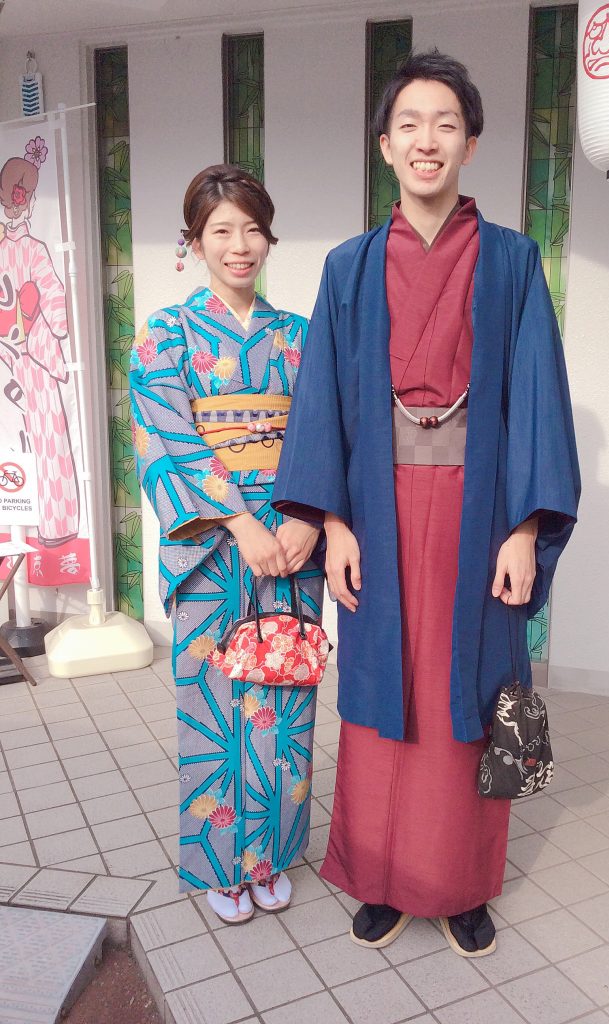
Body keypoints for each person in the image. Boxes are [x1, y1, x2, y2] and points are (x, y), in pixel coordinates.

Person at [273, 51, 580, 957]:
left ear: (470, 143)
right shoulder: (349, 267)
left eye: (445, 123)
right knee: (382, 690)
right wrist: (333, 522)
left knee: (473, 690)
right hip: (377, 506)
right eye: (408, 123)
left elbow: (536, 398)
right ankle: (377, 876)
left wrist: (524, 528)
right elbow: (325, 400)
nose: (426, 139)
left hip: (480, 511)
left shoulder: (512, 261)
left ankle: (463, 885)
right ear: (384, 144)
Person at [130, 165, 322, 924]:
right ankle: (220, 865)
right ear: (194, 241)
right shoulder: (165, 334)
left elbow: (328, 435)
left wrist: (306, 519)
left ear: (269, 238)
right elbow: (165, 435)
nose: (239, 245)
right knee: (212, 707)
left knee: (285, 698)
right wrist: (240, 522)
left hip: (292, 539)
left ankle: (271, 856)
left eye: (252, 229)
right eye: (221, 230)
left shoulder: (300, 337)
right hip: (214, 544)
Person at [0, 138, 80, 547]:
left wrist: (58, 327)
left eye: (22, 197)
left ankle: (53, 528)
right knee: (20, 441)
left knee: (44, 438)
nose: (18, 205)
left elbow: (50, 291)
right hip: (12, 356)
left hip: (30, 356)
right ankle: (23, 532)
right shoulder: (15, 248)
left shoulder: (32, 249)